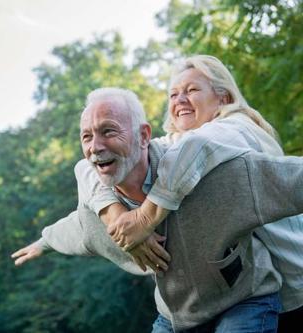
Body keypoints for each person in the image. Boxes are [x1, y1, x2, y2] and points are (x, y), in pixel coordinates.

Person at [12, 87, 303, 333]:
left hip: (246, 299)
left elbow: (289, 179)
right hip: (177, 316)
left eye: (108, 131)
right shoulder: (100, 214)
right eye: (86, 137)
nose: (95, 147)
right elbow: (74, 230)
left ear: (143, 136)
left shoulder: (216, 178)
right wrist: (44, 241)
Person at [96, 56, 303, 332]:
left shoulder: (238, 128)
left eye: (191, 90)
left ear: (223, 98)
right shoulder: (180, 143)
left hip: (291, 283)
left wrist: (143, 220)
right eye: (173, 94)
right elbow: (91, 166)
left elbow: (197, 147)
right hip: (244, 292)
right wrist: (115, 215)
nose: (180, 99)